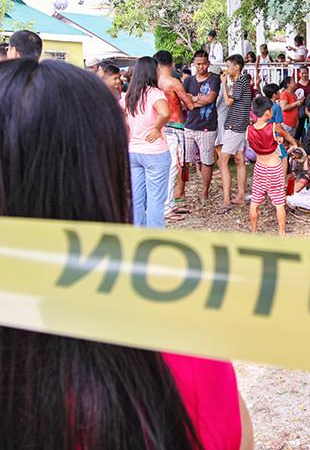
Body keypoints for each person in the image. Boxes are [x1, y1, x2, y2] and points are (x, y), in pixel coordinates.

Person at [0, 58, 252, 450]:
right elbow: (234, 435)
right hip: (151, 162)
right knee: (153, 210)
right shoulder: (183, 346)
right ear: (102, 167)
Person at [122, 57, 171, 228]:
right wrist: (157, 128)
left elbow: (121, 115)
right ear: (152, 71)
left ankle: (138, 236)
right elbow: (165, 113)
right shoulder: (154, 93)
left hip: (133, 151)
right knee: (156, 200)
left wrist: (128, 132)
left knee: (137, 199)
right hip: (154, 152)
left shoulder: (130, 94)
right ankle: (154, 238)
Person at [247, 95, 298, 235]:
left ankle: (253, 232)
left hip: (259, 168)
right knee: (279, 203)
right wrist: (294, 144)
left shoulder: (249, 130)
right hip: (274, 168)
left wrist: (277, 141)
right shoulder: (274, 127)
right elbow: (287, 137)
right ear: (267, 112)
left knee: (255, 202)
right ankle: (281, 233)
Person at [154, 50, 195, 222]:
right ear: (171, 64)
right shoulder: (173, 82)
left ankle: (169, 204)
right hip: (175, 126)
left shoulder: (154, 83)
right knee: (172, 168)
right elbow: (190, 105)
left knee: (169, 167)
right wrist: (193, 99)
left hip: (161, 127)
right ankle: (166, 208)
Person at [183, 50, 221, 201]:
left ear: (208, 63)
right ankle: (181, 190)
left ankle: (204, 191)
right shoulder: (188, 81)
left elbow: (209, 99)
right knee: (184, 162)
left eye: (204, 63)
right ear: (194, 64)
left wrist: (192, 101)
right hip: (189, 125)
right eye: (198, 64)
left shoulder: (214, 79)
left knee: (207, 161)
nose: (201, 67)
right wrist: (195, 100)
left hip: (207, 126)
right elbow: (183, 102)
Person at [217, 54, 251, 213]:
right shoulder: (243, 81)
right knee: (239, 160)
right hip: (241, 124)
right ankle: (241, 196)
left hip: (235, 125)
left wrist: (224, 84)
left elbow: (228, 102)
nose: (227, 69)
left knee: (222, 161)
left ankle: (226, 199)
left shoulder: (239, 82)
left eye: (229, 66)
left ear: (237, 67)